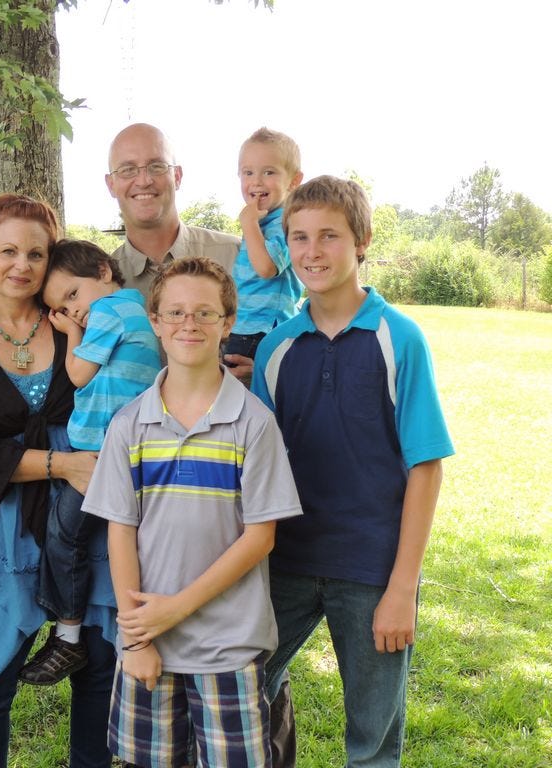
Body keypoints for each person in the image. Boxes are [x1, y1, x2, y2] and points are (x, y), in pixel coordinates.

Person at [251, 176, 454, 767]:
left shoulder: (399, 339)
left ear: (361, 240)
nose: (312, 251)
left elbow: (426, 468)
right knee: (238, 694)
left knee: (372, 738)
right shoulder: (277, 347)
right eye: (298, 238)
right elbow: (260, 469)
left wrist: (401, 589)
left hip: (372, 571)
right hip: (284, 561)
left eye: (329, 236)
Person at [84, 256, 302, 768]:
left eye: (205, 314)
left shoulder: (253, 423)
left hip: (229, 647)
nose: (190, 324)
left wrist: (176, 607)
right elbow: (120, 533)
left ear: (228, 323)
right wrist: (137, 637)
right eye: (176, 313)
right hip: (148, 646)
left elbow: (259, 538)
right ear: (155, 322)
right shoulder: (129, 425)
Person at [0, 195, 118, 768]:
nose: (22, 265)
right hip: (6, 518)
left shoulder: (78, 328)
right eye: (8, 250)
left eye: (36, 253)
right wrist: (65, 464)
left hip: (92, 512)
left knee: (100, 667)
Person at [17, 239, 161, 686]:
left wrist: (71, 334)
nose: (72, 310)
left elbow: (79, 373)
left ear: (104, 270)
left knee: (64, 538)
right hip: (128, 451)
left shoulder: (107, 313)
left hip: (100, 456)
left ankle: (68, 636)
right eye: (61, 305)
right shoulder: (135, 308)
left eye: (73, 295)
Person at [226, 127, 304, 372]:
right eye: (248, 173)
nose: (256, 181)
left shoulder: (287, 222)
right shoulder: (261, 221)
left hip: (262, 330)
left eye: (269, 172)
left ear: (294, 181)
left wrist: (248, 223)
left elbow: (266, 268)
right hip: (243, 327)